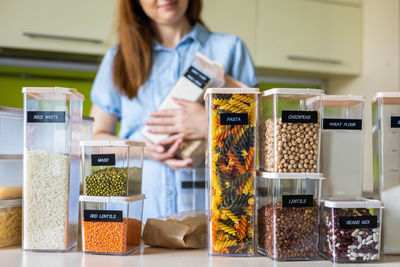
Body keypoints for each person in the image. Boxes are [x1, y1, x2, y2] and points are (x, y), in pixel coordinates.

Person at [90, 0, 258, 220]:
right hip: (135, 218)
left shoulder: (229, 49)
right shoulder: (118, 58)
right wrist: (143, 149)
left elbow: (259, 136)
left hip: (214, 219)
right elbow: (93, 143)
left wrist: (211, 123)